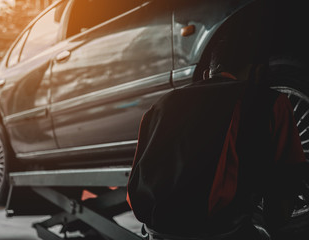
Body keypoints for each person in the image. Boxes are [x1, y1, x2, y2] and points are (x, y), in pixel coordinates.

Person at [127, 20, 307, 240]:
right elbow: (278, 213)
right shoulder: (271, 102)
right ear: (259, 73)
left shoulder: (161, 105)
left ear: (206, 75)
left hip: (155, 233)